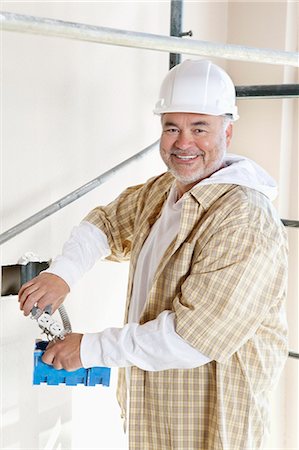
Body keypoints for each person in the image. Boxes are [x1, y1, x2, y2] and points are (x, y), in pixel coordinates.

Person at [18, 59, 288, 450]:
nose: (183, 143)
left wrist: (89, 349)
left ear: (227, 130)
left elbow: (193, 340)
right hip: (154, 406)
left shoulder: (243, 217)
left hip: (210, 419)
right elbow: (106, 224)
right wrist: (64, 274)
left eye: (200, 129)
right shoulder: (167, 190)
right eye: (172, 128)